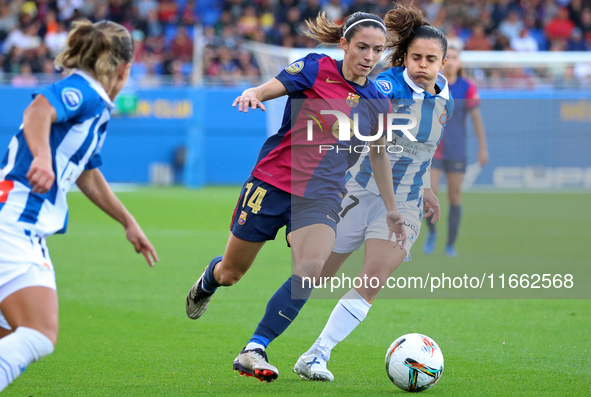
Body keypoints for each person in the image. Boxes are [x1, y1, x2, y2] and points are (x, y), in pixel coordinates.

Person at [185, 12, 406, 383]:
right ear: (344, 45)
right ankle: (209, 279)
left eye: (378, 51)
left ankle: (254, 348)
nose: (370, 57)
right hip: (271, 182)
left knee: (310, 270)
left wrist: (392, 208)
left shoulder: (377, 101)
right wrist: (253, 93)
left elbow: (378, 153)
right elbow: (270, 87)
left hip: (321, 195)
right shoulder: (316, 68)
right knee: (232, 273)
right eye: (363, 47)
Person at [293, 4, 452, 381]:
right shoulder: (384, 87)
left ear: (443, 63)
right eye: (416, 57)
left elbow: (422, 149)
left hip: (406, 204)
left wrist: (428, 187)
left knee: (372, 279)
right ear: (405, 57)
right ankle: (259, 338)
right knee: (313, 277)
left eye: (432, 59)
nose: (423, 65)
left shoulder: (445, 97)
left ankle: (317, 355)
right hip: (358, 193)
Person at [0, 19, 158, 391]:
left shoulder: (95, 108)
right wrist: (40, 158)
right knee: (39, 333)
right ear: (124, 70)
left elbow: (86, 173)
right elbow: (38, 111)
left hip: (17, 226)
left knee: (10, 334)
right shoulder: (83, 91)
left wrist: (127, 221)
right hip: (15, 226)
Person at [422, 44, 488, 257]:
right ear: (441, 61)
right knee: (427, 194)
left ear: (460, 62)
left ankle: (450, 244)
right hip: (433, 149)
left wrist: (483, 147)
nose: (451, 61)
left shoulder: (467, 87)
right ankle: (431, 232)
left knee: (455, 196)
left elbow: (476, 118)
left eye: (455, 57)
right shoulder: (431, 84)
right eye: (447, 57)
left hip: (456, 149)